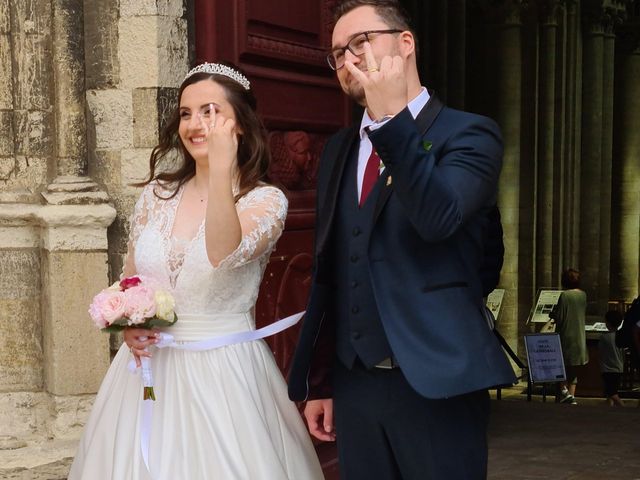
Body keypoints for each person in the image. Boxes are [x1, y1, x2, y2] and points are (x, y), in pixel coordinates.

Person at [287, 1, 516, 478]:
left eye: (360, 43)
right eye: (336, 54)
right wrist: (322, 379)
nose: (347, 60)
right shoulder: (338, 149)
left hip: (438, 380)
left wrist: (393, 121)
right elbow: (332, 267)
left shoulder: (470, 133)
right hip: (355, 383)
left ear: (405, 43)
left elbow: (438, 219)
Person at [69, 62, 324, 479]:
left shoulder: (266, 201)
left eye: (210, 111)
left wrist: (222, 171)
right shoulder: (157, 194)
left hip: (223, 375)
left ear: (239, 124)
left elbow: (223, 251)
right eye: (186, 113)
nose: (194, 124)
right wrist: (128, 321)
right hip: (147, 376)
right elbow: (132, 277)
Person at [550, 268, 588, 405]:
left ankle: (564, 392)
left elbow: (560, 317)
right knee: (574, 369)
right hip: (579, 336)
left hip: (566, 335)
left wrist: (552, 314)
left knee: (562, 366)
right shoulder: (583, 295)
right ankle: (572, 396)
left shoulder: (565, 296)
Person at [599, 310, 626, 406]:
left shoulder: (604, 337)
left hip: (607, 369)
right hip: (619, 368)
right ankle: (609, 409)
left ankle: (623, 407)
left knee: (612, 393)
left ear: (608, 323)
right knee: (611, 392)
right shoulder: (621, 337)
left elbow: (601, 352)